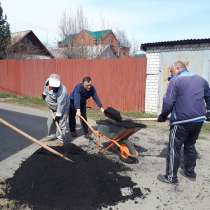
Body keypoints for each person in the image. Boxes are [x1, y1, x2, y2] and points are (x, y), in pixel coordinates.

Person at [157, 61, 210, 184]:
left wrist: (163, 115)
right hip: (198, 120)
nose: (171, 74)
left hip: (181, 121)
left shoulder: (175, 81)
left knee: (174, 148)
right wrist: (208, 111)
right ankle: (190, 172)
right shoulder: (201, 80)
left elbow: (168, 102)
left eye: (171, 71)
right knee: (190, 145)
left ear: (178, 68)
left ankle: (171, 177)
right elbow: (209, 96)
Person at [42, 73, 70, 144]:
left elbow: (61, 104)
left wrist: (58, 114)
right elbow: (45, 88)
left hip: (63, 106)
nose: (53, 87)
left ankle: (60, 138)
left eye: (55, 86)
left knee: (61, 122)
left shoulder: (63, 91)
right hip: (52, 105)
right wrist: (44, 94)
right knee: (50, 122)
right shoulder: (47, 82)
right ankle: (52, 135)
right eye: (52, 86)